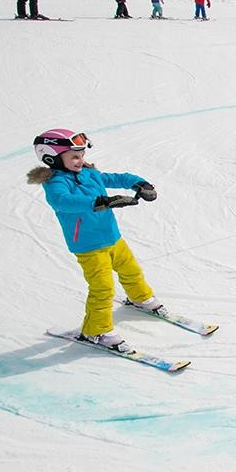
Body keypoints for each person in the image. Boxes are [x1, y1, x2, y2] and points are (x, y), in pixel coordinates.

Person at [26, 129, 163, 353]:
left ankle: (140, 297)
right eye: (74, 156)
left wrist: (140, 183)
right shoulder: (55, 183)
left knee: (131, 269)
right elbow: (64, 202)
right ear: (52, 158)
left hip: (112, 237)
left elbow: (116, 178)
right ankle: (96, 331)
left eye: (81, 155)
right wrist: (100, 201)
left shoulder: (90, 173)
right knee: (103, 287)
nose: (81, 161)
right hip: (88, 246)